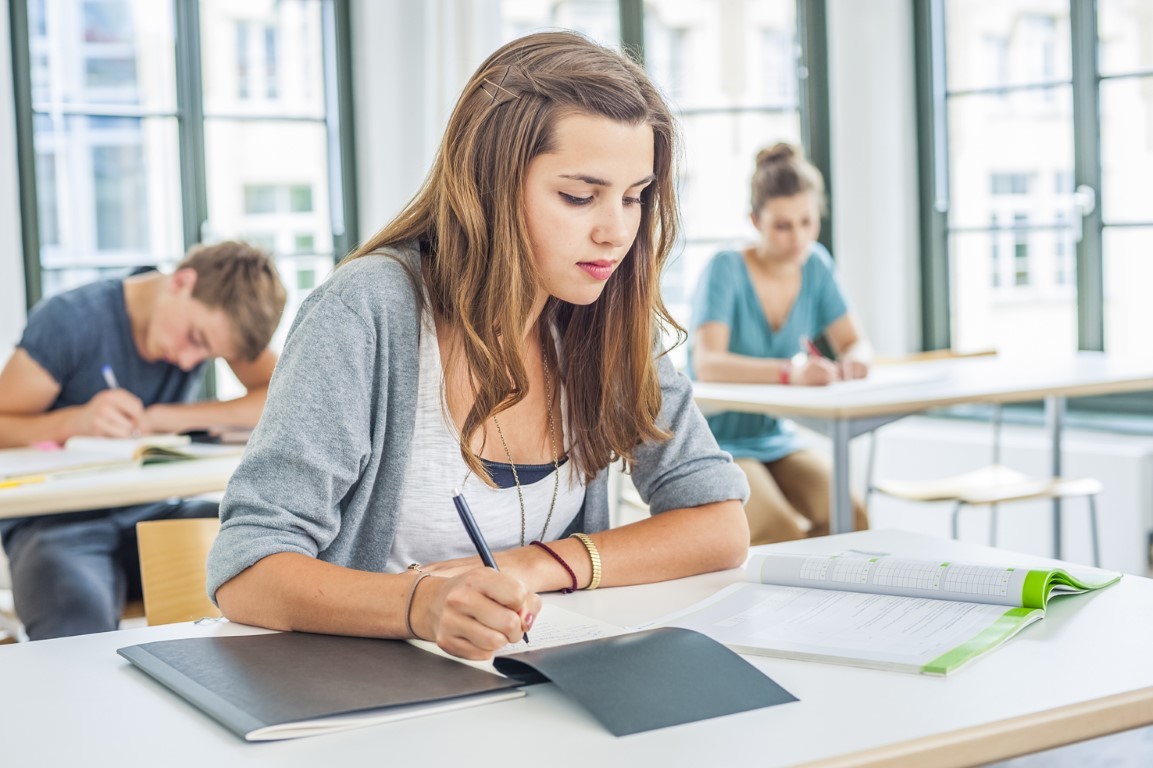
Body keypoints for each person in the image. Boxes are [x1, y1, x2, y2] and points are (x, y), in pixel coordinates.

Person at [207, 30, 751, 662]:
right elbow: (246, 569)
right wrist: (420, 604)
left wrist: (538, 565)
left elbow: (719, 523)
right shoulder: (367, 311)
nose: (616, 232)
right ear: (489, 184)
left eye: (634, 198)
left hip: (531, 680)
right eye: (579, 196)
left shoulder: (605, 310)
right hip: (371, 691)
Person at [0, 241, 286, 639]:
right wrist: (73, 422)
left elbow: (280, 397)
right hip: (56, 523)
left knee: (268, 549)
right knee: (77, 618)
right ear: (182, 282)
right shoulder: (69, 321)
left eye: (207, 355)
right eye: (196, 340)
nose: (190, 362)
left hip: (153, 511)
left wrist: (163, 418)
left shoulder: (216, 316)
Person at [689, 143, 872, 545]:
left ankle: (834, 608)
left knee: (851, 514)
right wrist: (792, 373)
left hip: (772, 436)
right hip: (714, 440)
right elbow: (708, 364)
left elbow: (855, 342)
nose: (798, 238)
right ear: (755, 220)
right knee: (780, 531)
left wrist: (855, 360)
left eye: (807, 222)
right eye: (783, 225)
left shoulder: (816, 264)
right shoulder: (726, 269)